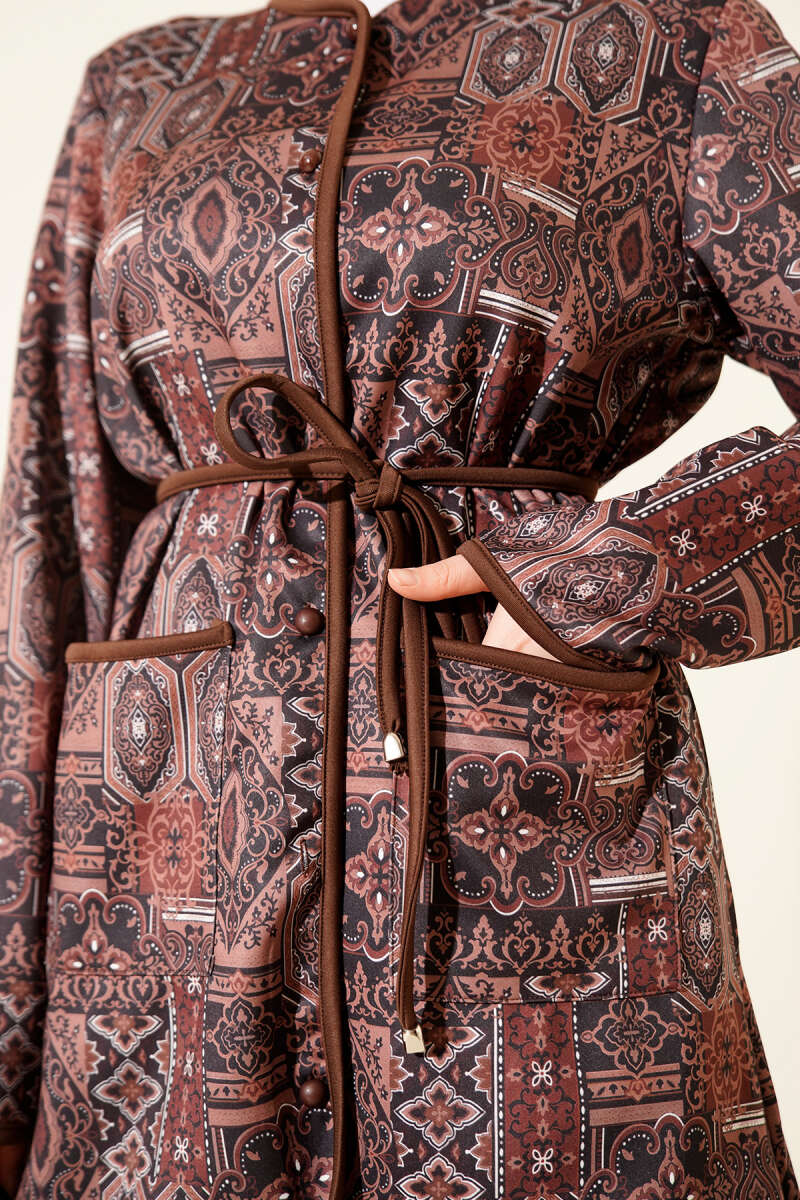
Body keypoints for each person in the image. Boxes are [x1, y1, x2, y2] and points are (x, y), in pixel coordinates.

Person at [0, 0, 797, 1196]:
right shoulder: (144, 80)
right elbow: (55, 518)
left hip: (521, 825)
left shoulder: (668, 44)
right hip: (165, 849)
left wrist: (604, 567)